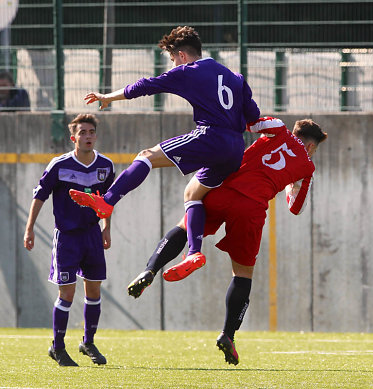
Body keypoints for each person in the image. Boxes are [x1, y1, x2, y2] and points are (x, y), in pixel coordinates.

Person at [127, 116, 327, 365]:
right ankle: (228, 334)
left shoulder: (278, 129)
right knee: (242, 273)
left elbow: (243, 124)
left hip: (224, 188)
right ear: (311, 146)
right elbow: (295, 208)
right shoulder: (307, 168)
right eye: (315, 149)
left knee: (186, 223)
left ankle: (150, 269)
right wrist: (288, 185)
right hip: (251, 208)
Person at [69, 26, 260, 281]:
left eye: (171, 60)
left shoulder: (188, 71)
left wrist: (108, 97)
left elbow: (146, 85)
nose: (172, 66)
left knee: (146, 156)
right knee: (193, 193)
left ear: (181, 55)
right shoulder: (235, 77)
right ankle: (193, 251)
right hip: (236, 148)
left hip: (211, 136)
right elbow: (254, 116)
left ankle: (108, 201)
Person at [23, 114, 115, 367]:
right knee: (67, 292)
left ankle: (88, 342)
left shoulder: (105, 166)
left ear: (96, 135)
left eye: (91, 132)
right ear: (73, 137)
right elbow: (40, 196)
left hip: (92, 235)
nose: (87, 136)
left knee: (94, 291)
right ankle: (58, 347)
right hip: (67, 238)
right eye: (82, 132)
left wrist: (106, 228)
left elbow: (107, 202)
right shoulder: (59, 165)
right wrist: (29, 228)